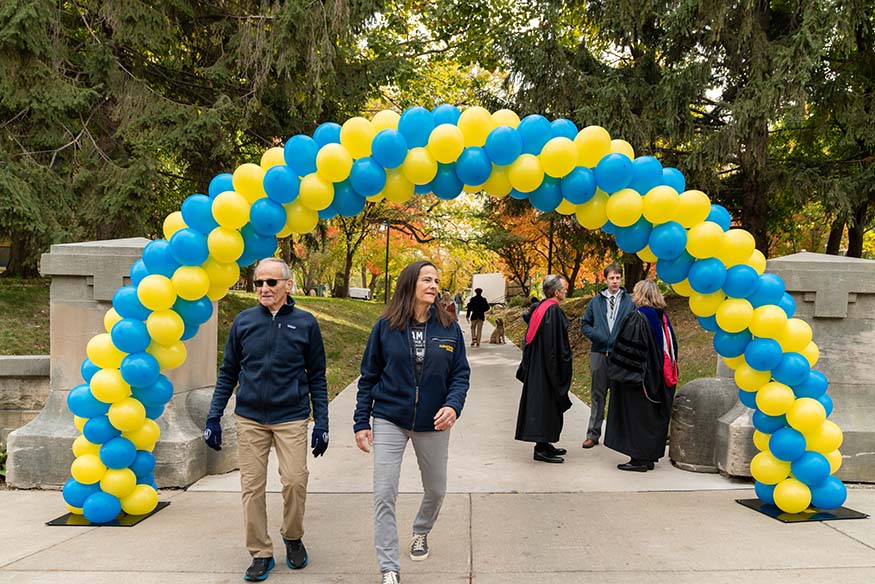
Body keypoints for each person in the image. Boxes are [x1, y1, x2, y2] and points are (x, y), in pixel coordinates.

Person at [204, 257, 329, 581]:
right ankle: (260, 552)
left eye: (271, 282)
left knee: (294, 481)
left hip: (291, 416)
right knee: (252, 488)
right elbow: (228, 372)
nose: (264, 288)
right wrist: (214, 416)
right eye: (259, 282)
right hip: (250, 418)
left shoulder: (305, 323)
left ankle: (292, 535)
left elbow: (317, 376)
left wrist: (323, 424)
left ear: (288, 285)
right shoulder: (244, 322)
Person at [354, 260, 471, 584]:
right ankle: (389, 566)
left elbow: (460, 374)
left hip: (434, 420)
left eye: (436, 280)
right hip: (390, 417)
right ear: (410, 284)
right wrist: (361, 421)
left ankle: (421, 531)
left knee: (436, 488)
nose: (433, 285)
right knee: (384, 492)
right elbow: (369, 376)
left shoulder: (449, 326)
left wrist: (453, 406)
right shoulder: (385, 326)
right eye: (426, 280)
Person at [604, 279, 678, 472]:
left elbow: (630, 352)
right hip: (659, 378)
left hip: (641, 379)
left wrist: (620, 374)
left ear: (640, 295)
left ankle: (638, 460)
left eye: (635, 292)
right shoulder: (662, 317)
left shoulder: (638, 317)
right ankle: (649, 456)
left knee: (638, 416)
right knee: (651, 417)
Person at [514, 275, 573, 463]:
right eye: (563, 288)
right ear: (556, 292)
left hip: (539, 367)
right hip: (547, 369)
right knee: (545, 407)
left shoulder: (541, 308)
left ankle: (545, 443)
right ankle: (540, 449)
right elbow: (554, 347)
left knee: (544, 408)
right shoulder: (552, 311)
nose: (565, 291)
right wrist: (557, 372)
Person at [579, 263, 634, 449]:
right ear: (605, 280)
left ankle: (619, 436)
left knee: (621, 396)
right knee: (597, 395)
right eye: (612, 278)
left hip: (620, 355)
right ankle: (592, 434)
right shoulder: (596, 301)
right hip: (599, 354)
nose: (615, 281)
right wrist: (598, 336)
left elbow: (634, 324)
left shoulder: (629, 301)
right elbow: (584, 324)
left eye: (618, 277)